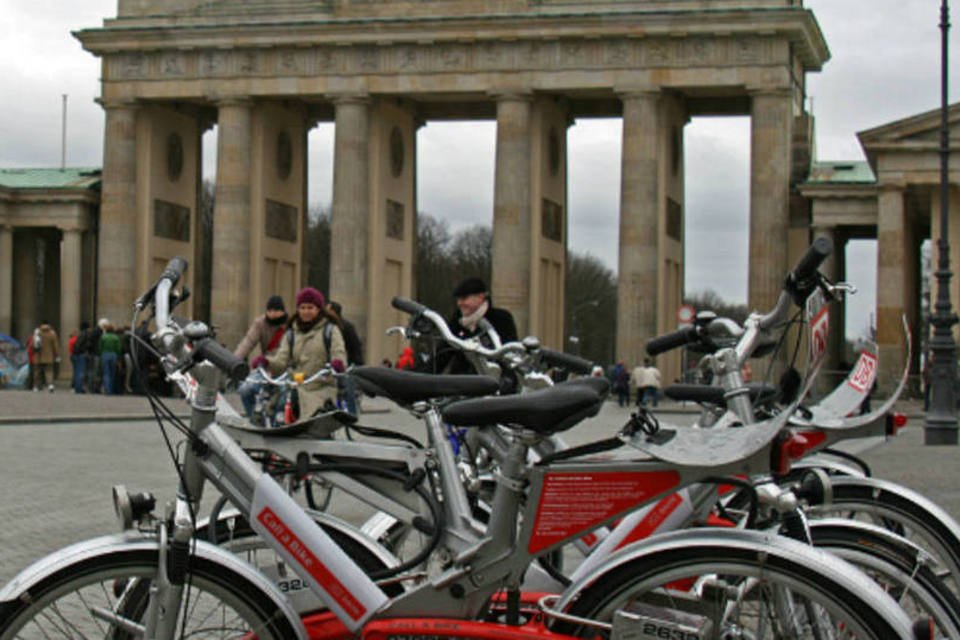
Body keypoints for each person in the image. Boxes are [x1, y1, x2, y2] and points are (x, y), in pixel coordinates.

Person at [257, 287, 346, 421]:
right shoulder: (291, 333)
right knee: (277, 407)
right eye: (302, 307)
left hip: (321, 387)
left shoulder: (330, 331)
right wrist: (267, 362)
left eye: (310, 307)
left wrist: (337, 364)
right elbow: (281, 361)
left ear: (318, 309)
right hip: (296, 386)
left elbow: (338, 353)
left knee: (314, 417)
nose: (306, 311)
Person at [435, 276, 518, 374]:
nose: (459, 303)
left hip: (494, 381)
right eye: (458, 299)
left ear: (481, 297)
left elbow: (511, 354)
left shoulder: (502, 319)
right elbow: (441, 356)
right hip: (462, 383)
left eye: (464, 298)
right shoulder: (457, 322)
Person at [234, 295, 289, 419]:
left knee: (284, 395)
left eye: (276, 311)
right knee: (245, 389)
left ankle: (276, 417)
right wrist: (234, 362)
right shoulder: (260, 323)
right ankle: (253, 417)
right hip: (266, 366)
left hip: (286, 368)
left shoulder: (290, 325)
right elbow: (247, 342)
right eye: (270, 310)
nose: (272, 314)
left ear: (283, 311)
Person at [325, 300, 363, 416]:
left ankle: (352, 415)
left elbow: (356, 346)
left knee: (348, 391)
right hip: (333, 365)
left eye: (328, 309)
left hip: (348, 365)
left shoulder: (346, 326)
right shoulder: (327, 327)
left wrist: (356, 364)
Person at [31, 321, 60, 392]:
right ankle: (50, 385)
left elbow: (33, 344)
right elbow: (55, 346)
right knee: (49, 371)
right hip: (49, 355)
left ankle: (36, 386)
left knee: (37, 372)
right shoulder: (52, 334)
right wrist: (57, 355)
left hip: (38, 355)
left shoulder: (37, 333)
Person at [99, 323, 122, 394]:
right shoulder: (116, 337)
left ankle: (107, 389)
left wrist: (101, 355)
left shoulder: (103, 337)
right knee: (112, 373)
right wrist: (119, 358)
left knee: (106, 372)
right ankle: (111, 389)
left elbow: (100, 347)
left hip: (105, 354)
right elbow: (118, 349)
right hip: (113, 355)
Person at [71, 322, 91, 393]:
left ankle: (78, 387)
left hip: (78, 354)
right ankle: (79, 388)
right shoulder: (84, 334)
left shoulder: (82, 334)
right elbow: (78, 345)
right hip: (80, 354)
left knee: (78, 372)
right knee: (80, 372)